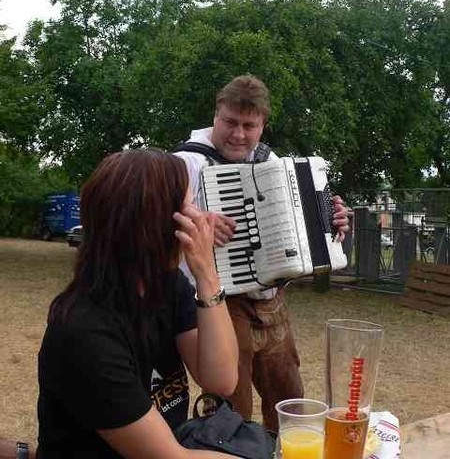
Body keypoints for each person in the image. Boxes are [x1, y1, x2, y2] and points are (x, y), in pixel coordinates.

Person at [36, 148, 241, 459]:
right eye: (189, 206)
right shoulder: (84, 332)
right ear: (153, 224)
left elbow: (220, 381)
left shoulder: (166, 284)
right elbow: (172, 458)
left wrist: (208, 276)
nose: (201, 218)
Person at [174, 75, 351, 432]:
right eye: (230, 122)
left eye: (249, 126)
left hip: (272, 301)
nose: (238, 134)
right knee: (231, 409)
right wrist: (198, 222)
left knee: (291, 404)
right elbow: (155, 217)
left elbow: (302, 221)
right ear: (216, 114)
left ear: (262, 126)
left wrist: (332, 221)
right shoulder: (184, 163)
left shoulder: (273, 161)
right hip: (221, 301)